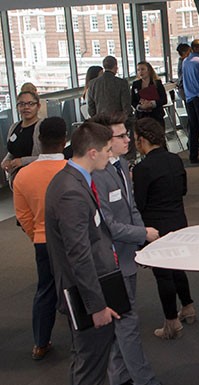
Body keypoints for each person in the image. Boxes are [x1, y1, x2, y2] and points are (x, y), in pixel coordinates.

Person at [86, 113, 163, 385]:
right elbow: (109, 225)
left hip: (128, 257)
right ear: (106, 141)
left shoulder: (123, 165)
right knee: (128, 323)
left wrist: (141, 244)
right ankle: (145, 379)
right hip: (111, 263)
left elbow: (131, 209)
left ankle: (119, 378)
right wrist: (142, 233)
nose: (128, 139)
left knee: (123, 321)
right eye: (121, 136)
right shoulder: (97, 175)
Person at [45, 122, 119, 385]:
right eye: (108, 150)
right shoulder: (71, 192)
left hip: (90, 289)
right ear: (92, 152)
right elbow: (79, 255)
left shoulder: (72, 180)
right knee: (90, 367)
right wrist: (97, 306)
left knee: (88, 361)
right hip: (88, 295)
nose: (111, 155)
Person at [131, 119, 195, 340]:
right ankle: (187, 306)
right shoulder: (175, 160)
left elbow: (138, 203)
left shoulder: (142, 168)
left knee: (163, 274)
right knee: (177, 268)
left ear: (143, 139)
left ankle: (171, 321)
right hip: (178, 220)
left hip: (156, 226)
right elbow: (184, 190)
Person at [12, 117, 68, 360]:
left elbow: (23, 215)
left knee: (45, 290)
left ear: (38, 140)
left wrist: (36, 234)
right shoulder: (74, 170)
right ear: (64, 140)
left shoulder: (23, 176)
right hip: (73, 240)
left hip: (42, 241)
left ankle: (40, 343)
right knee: (80, 285)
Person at [3, 91, 43, 183]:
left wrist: (23, 161)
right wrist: (7, 160)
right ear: (17, 107)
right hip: (17, 180)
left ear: (38, 106)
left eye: (30, 104)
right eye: (22, 104)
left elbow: (49, 157)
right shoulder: (14, 127)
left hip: (36, 179)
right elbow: (12, 151)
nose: (26, 107)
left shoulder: (42, 127)